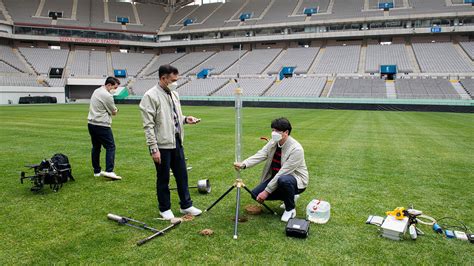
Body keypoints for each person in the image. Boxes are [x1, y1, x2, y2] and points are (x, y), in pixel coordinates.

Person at [139, 64, 202, 220]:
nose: (175, 82)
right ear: (163, 78)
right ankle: (164, 208)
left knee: (182, 175)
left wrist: (186, 119)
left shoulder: (174, 94)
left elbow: (173, 117)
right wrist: (153, 148)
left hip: (177, 142)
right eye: (173, 80)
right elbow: (149, 125)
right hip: (161, 145)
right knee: (163, 177)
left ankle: (186, 205)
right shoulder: (150, 96)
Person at [234, 118, 309, 222]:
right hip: (276, 178)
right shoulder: (273, 142)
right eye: (273, 130)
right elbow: (261, 154)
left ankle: (290, 209)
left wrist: (266, 191)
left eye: (277, 131)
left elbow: (284, 172)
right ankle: (290, 196)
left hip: (294, 180)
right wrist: (244, 164)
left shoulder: (296, 149)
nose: (274, 133)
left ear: (286, 132)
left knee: (284, 180)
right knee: (255, 194)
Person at [87, 77, 121, 180]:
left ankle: (96, 171)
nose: (115, 90)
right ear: (109, 85)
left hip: (91, 123)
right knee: (111, 147)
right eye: (115, 87)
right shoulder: (107, 95)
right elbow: (113, 112)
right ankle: (109, 171)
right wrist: (116, 110)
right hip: (102, 125)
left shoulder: (96, 91)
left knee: (96, 147)